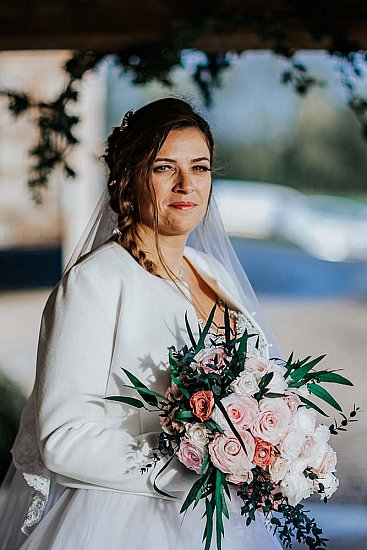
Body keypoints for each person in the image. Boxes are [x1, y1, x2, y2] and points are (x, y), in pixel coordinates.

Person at [0, 97, 283, 549]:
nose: (187, 184)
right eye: (164, 168)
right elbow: (63, 439)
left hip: (223, 524)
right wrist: (195, 462)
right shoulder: (95, 282)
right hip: (122, 525)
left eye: (201, 167)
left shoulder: (214, 272)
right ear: (129, 179)